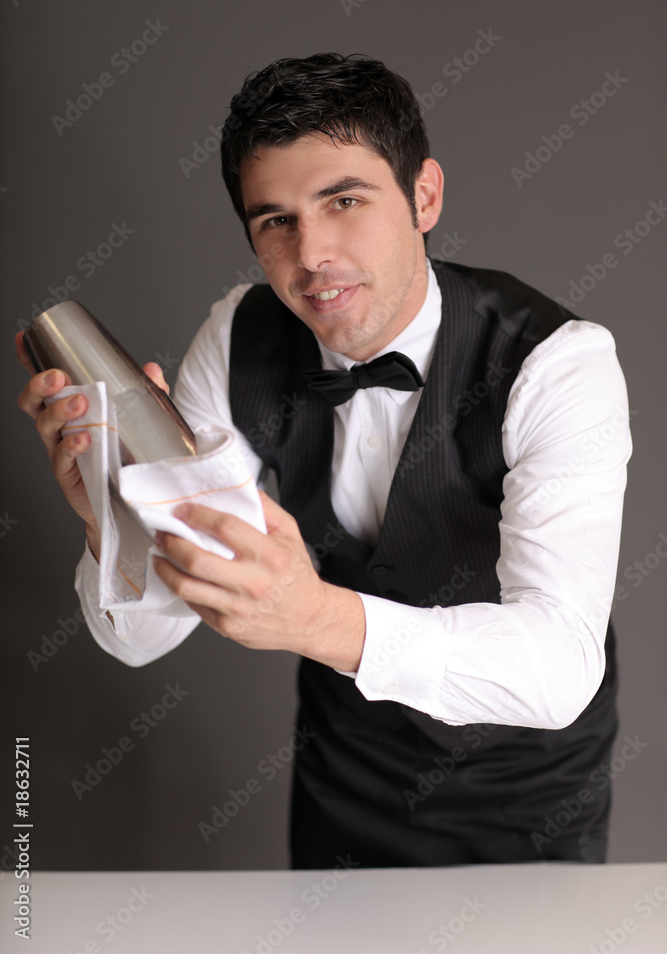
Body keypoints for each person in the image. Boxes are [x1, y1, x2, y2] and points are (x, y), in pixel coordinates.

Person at [17, 52, 632, 869]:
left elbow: (558, 667)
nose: (311, 255)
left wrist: (316, 619)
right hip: (345, 776)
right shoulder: (238, 337)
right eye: (275, 220)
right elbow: (143, 640)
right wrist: (111, 519)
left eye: (344, 201)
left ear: (423, 196)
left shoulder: (557, 363)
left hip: (525, 785)